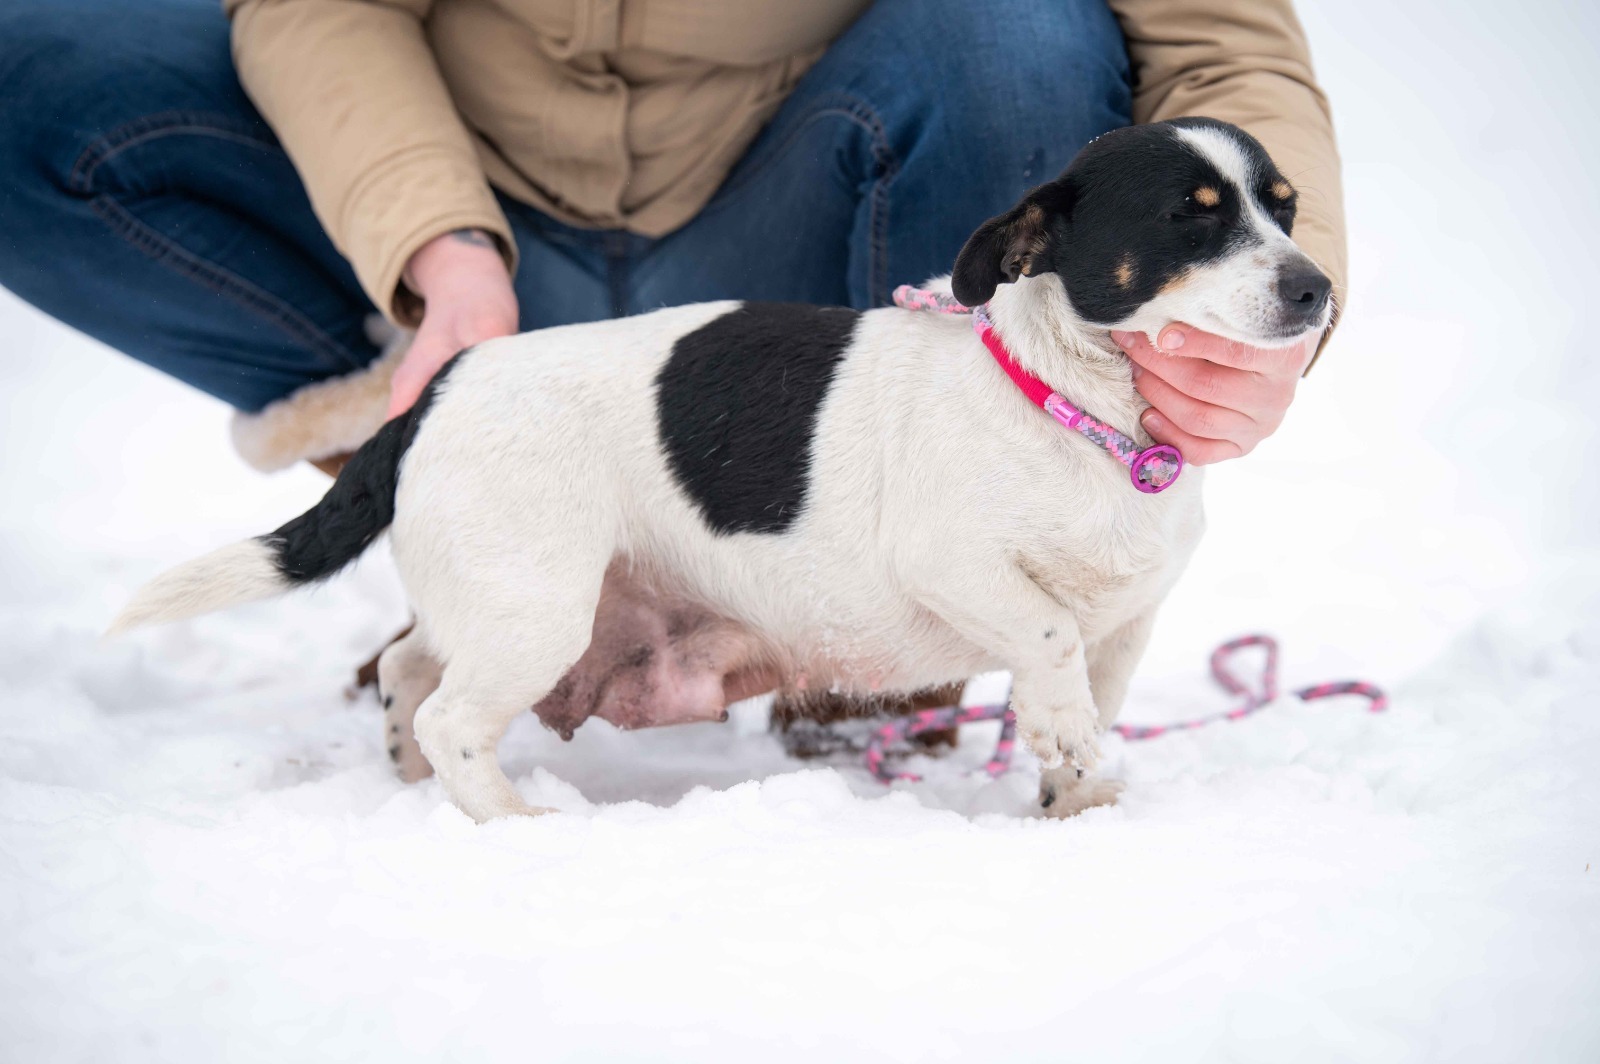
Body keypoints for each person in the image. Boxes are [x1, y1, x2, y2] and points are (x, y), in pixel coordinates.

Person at [0, 0, 1345, 474]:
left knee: (1016, 30)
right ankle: (455, 468)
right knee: (28, 71)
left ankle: (902, 561)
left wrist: (1261, 330)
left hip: (801, 244)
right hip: (477, 231)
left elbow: (1222, 46)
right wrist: (437, 243)